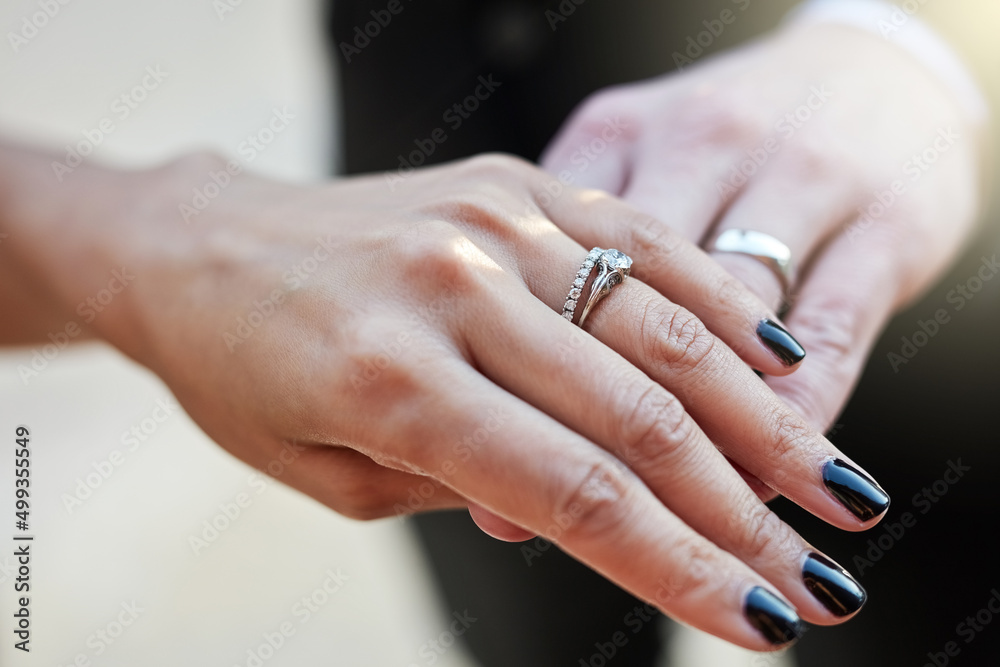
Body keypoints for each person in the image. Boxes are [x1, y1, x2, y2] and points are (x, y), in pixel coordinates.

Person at [0, 0, 993, 661]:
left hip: (886, 207)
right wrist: (141, 238)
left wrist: (912, 41)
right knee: (525, 575)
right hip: (434, 104)